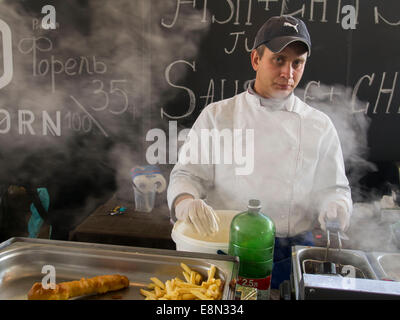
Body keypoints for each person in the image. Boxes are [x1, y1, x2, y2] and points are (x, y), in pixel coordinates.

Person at [167, 15, 353, 289]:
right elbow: (186, 175)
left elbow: (334, 188)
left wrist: (336, 206)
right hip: (227, 249)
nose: (288, 74)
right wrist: (186, 202)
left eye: (297, 63)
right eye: (279, 60)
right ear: (256, 60)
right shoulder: (218, 116)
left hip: (292, 254)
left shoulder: (319, 125)